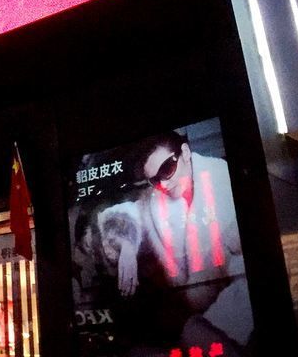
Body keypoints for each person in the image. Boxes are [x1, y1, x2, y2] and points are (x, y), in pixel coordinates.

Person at [100, 131, 252, 352]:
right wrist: (127, 246)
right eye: (154, 179)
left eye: (167, 170)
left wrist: (206, 328)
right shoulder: (154, 201)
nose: (163, 185)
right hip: (183, 323)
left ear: (186, 153)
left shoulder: (225, 182)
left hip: (233, 325)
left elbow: (248, 274)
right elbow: (124, 214)